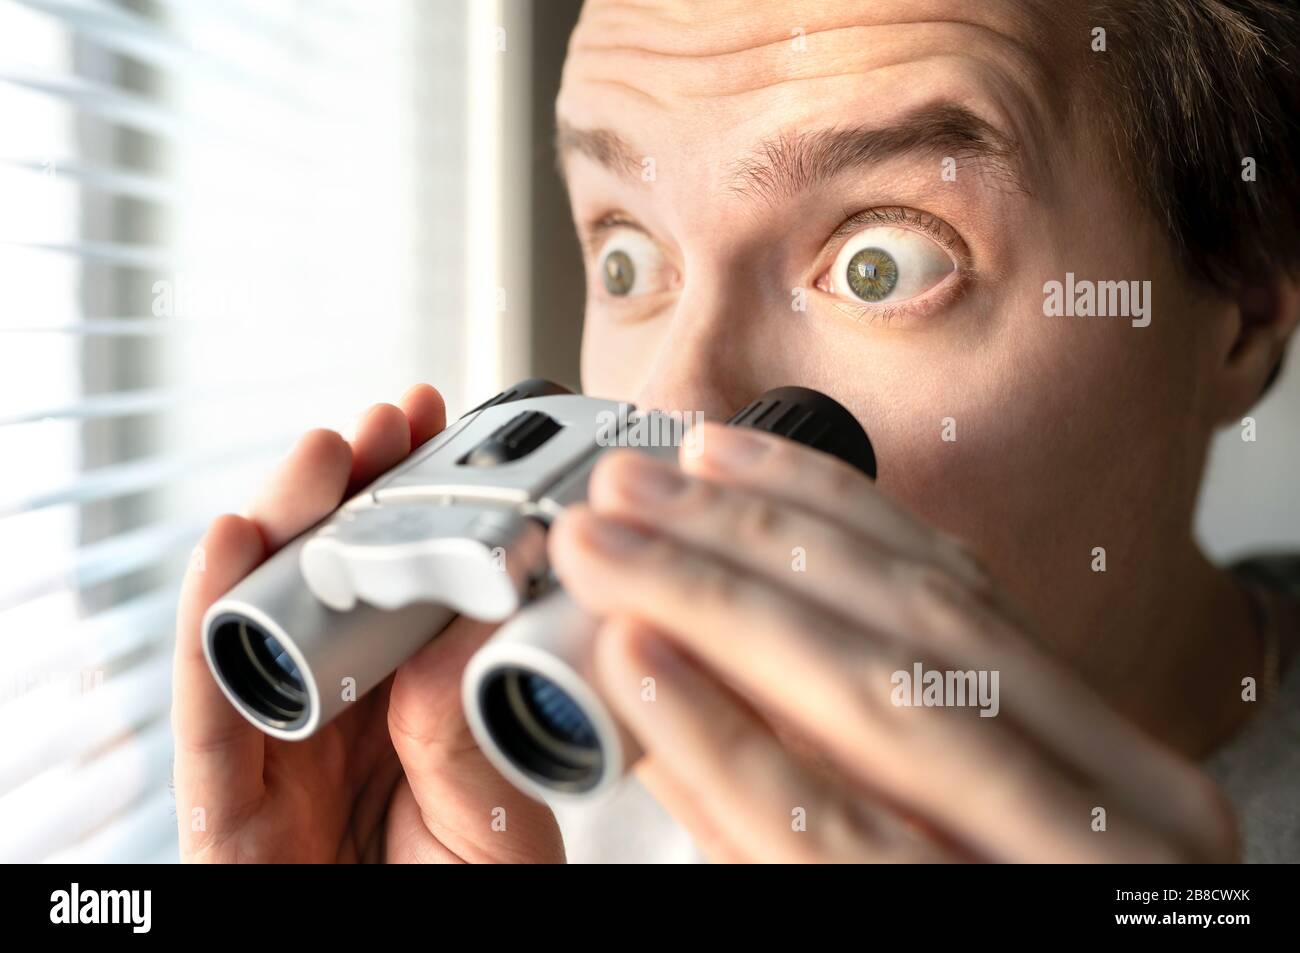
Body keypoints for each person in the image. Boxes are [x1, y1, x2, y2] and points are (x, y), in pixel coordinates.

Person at [172, 0, 1300, 862]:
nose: (671, 420)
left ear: (1241, 308)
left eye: (880, 261)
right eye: (627, 255)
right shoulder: (534, 778)